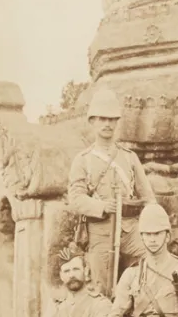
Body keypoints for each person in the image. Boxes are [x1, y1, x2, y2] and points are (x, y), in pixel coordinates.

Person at [67, 88, 157, 297]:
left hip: (130, 229)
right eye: (102, 119)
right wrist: (101, 207)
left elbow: (149, 197)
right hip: (100, 230)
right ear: (92, 121)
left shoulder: (129, 157)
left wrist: (151, 223)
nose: (107, 124)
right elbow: (76, 198)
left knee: (153, 261)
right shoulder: (83, 160)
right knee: (102, 288)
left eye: (112, 119)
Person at [108, 203, 178, 317]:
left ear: (167, 236)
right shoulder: (131, 275)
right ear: (141, 237)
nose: (152, 239)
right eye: (148, 234)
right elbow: (116, 313)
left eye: (157, 233)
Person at [53, 242, 112, 317]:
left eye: (76, 269)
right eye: (67, 271)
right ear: (61, 276)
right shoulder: (57, 307)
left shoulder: (100, 305)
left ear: (86, 271)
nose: (71, 275)